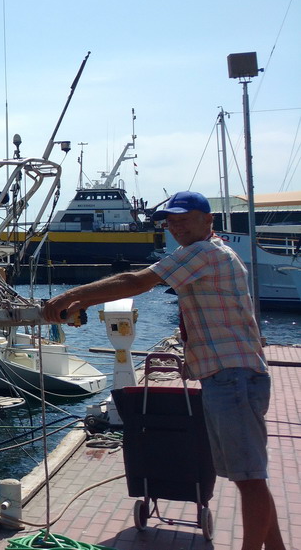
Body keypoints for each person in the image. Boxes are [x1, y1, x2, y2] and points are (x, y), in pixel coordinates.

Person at [42, 191, 284, 550]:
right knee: (250, 477)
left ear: (208, 220)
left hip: (233, 378)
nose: (175, 225)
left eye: (184, 218)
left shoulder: (205, 253)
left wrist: (68, 297)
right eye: (171, 220)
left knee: (249, 478)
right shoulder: (206, 254)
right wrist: (84, 300)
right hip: (230, 376)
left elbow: (138, 282)